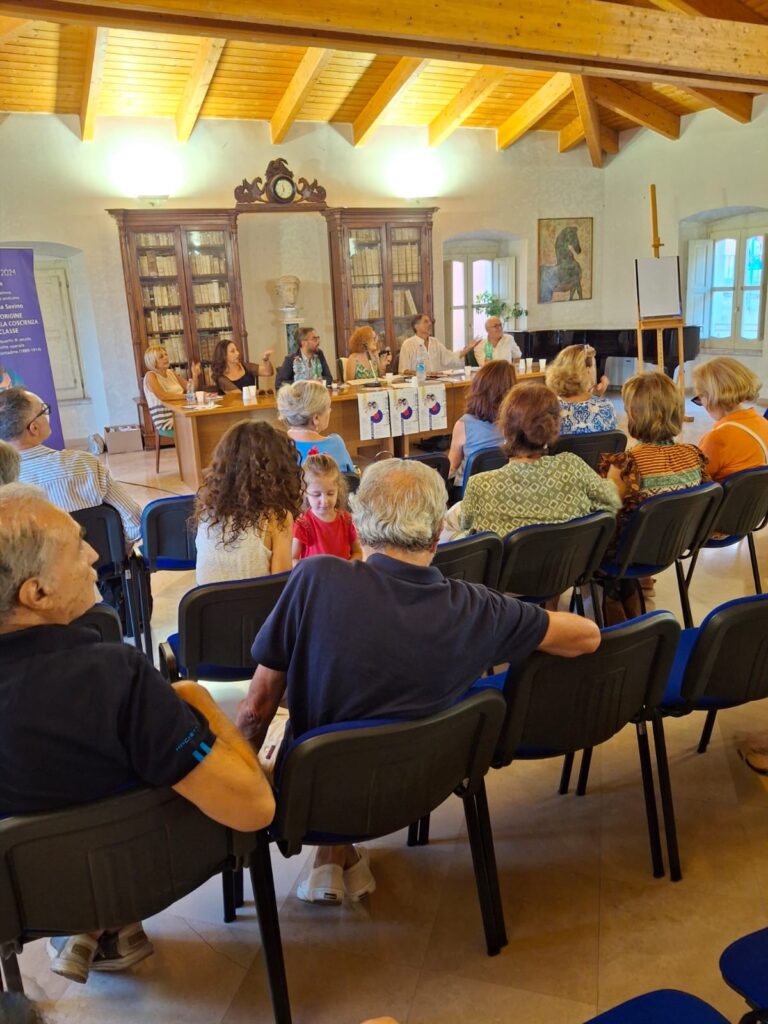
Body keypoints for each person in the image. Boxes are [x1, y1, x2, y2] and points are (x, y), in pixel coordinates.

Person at [235, 458, 601, 904]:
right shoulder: (479, 608)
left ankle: (334, 851)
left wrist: (238, 783)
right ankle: (338, 856)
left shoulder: (315, 578)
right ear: (435, 535)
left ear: (362, 528)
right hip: (425, 786)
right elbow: (587, 636)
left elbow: (255, 712)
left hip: (318, 798)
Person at [0, 485, 275, 983]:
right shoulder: (117, 676)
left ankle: (92, 926)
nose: (93, 555)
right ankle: (112, 919)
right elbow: (255, 807)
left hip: (25, 905)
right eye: (75, 546)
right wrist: (203, 707)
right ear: (35, 593)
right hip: (150, 875)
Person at [598, 371, 709, 619]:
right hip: (673, 545)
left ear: (635, 414)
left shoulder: (627, 464)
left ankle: (615, 597)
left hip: (629, 552)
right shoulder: (694, 456)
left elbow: (604, 518)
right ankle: (628, 592)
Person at [456, 383, 621, 537]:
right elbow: (612, 502)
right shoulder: (573, 466)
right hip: (569, 566)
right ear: (552, 429)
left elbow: (467, 532)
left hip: (507, 567)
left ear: (505, 431)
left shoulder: (480, 486)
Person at [0, 387, 141, 545]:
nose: (48, 415)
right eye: (44, 410)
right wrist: (122, 551)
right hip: (100, 565)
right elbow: (134, 520)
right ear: (34, 428)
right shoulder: (86, 464)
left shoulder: (5, 484)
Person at [194, 421, 303, 585]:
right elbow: (282, 590)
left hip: (208, 610)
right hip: (260, 610)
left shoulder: (207, 513)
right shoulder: (276, 519)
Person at [692, 357, 768, 481]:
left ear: (712, 396)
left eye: (700, 397)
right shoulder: (764, 424)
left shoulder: (717, 438)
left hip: (726, 500)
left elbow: (694, 481)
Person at [447, 360, 515, 483]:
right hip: (505, 488)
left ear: (478, 388)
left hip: (469, 493)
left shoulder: (463, 425)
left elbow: (451, 468)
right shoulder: (517, 422)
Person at [292, 454, 363, 564]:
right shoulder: (303, 523)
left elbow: (358, 552)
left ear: (338, 490)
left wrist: (347, 567)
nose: (324, 501)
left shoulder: (346, 520)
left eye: (330, 493)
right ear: (305, 493)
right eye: (316, 495)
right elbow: (293, 559)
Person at [277, 379, 356, 473]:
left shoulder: (276, 447)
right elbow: (352, 482)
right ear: (316, 418)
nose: (330, 411)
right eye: (328, 407)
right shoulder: (335, 444)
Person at [545, 344, 616, 435]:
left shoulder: (549, 409)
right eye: (594, 366)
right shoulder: (606, 408)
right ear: (588, 370)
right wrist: (595, 398)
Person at [142, 344, 201, 435]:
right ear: (153, 361)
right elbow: (163, 396)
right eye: (161, 357)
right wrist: (187, 396)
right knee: (199, 425)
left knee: (204, 420)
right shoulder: (150, 376)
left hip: (181, 412)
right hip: (166, 419)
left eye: (166, 355)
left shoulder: (171, 372)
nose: (165, 358)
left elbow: (191, 388)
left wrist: (195, 375)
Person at [397, 313, 479, 374]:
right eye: (426, 322)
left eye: (430, 322)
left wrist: (468, 349)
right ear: (416, 326)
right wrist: (423, 374)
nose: (430, 324)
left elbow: (449, 357)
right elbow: (403, 370)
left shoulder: (435, 342)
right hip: (418, 386)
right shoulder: (407, 344)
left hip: (437, 383)